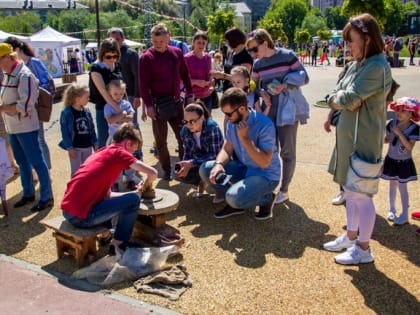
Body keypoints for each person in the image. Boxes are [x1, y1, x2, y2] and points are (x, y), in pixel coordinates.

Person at [322, 13, 392, 265]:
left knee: (361, 195)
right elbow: (339, 93)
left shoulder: (376, 66)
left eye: (350, 40)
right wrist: (339, 98)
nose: (347, 46)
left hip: (363, 142)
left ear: (366, 37)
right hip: (350, 141)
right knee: (351, 193)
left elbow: (348, 99)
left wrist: (338, 98)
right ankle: (352, 237)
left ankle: (363, 248)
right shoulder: (359, 64)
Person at [61, 123, 158, 256]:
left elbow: (107, 196)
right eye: (133, 150)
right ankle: (119, 243)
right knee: (134, 200)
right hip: (81, 217)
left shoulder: (103, 152)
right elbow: (153, 173)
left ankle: (107, 234)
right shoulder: (119, 153)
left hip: (69, 212)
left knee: (130, 198)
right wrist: (146, 184)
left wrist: (133, 193)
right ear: (127, 144)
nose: (133, 155)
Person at [248, 28, 310, 204]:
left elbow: (304, 77)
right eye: (250, 50)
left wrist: (285, 83)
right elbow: (253, 86)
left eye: (254, 49)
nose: (253, 53)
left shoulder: (287, 55)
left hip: (287, 110)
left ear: (265, 43)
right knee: (269, 149)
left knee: (287, 151)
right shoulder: (258, 64)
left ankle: (284, 189)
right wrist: (261, 93)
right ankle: (271, 185)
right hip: (268, 111)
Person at [199, 88, 281, 220]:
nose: (226, 117)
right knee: (206, 169)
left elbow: (264, 162)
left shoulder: (265, 124)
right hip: (245, 168)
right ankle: (237, 202)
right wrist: (219, 164)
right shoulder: (234, 121)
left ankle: (266, 198)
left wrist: (245, 138)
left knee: (233, 197)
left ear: (242, 109)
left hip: (266, 175)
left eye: (228, 114)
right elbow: (227, 148)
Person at [0, 43, 53, 212]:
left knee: (37, 161)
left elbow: (25, 105)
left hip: (26, 126)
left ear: (8, 57)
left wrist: (2, 109)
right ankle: (28, 193)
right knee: (22, 162)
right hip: (13, 127)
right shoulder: (8, 75)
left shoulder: (24, 75)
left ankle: (46, 196)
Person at [139, 23, 194, 180]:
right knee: (160, 140)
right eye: (155, 42)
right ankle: (166, 170)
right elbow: (143, 85)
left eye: (161, 42)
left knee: (183, 136)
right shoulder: (146, 58)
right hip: (157, 105)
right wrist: (148, 106)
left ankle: (182, 168)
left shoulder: (177, 53)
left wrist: (190, 94)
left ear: (168, 37)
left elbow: (185, 75)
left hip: (176, 103)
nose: (158, 45)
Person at [4, 36, 53, 171]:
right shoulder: (11, 69)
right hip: (22, 111)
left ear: (17, 50)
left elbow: (47, 82)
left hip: (35, 107)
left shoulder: (34, 63)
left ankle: (45, 169)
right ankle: (35, 171)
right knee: (29, 144)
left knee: (40, 140)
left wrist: (33, 89)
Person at [380, 97, 420, 225]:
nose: (399, 113)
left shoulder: (414, 128)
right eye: (398, 109)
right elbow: (387, 138)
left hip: (404, 163)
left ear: (411, 113)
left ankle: (404, 214)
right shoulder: (392, 123)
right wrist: (386, 138)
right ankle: (392, 209)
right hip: (391, 159)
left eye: (403, 110)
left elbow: (409, 147)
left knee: (403, 188)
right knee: (392, 185)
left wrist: (399, 133)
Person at [174, 101, 223, 197]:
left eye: (192, 121)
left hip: (217, 162)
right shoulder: (185, 130)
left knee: (205, 167)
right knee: (175, 172)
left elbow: (215, 155)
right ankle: (202, 181)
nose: (188, 125)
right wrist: (184, 165)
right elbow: (188, 151)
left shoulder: (212, 127)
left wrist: (191, 163)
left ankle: (219, 188)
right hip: (199, 161)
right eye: (185, 121)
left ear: (202, 118)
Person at [89, 38, 123, 148]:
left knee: (120, 141)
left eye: (115, 56)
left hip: (119, 106)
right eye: (109, 56)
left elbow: (122, 87)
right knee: (104, 143)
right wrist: (118, 110)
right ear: (102, 54)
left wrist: (124, 108)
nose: (112, 59)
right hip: (104, 109)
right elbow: (103, 92)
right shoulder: (96, 68)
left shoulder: (116, 66)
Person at [104, 80, 137, 191]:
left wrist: (119, 118)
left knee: (129, 159)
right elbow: (110, 120)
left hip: (127, 138)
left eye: (121, 94)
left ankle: (130, 179)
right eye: (115, 94)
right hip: (114, 138)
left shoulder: (126, 104)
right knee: (114, 162)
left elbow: (131, 117)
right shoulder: (108, 106)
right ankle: (115, 182)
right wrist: (122, 115)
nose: (118, 96)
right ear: (110, 93)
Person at [107, 28, 142, 133]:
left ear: (123, 38)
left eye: (117, 39)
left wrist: (137, 96)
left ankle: (137, 149)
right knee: (118, 125)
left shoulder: (131, 54)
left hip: (129, 95)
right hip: (114, 96)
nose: (115, 42)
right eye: (112, 39)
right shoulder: (109, 55)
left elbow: (137, 76)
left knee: (131, 124)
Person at [59, 82, 97, 176]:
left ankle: (87, 189)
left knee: (88, 170)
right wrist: (70, 148)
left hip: (87, 146)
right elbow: (65, 132)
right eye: (86, 97)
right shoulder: (67, 112)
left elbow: (91, 128)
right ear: (77, 99)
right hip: (75, 147)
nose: (88, 99)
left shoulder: (86, 111)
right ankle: (75, 190)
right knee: (76, 172)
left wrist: (95, 142)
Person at [210, 27, 253, 92]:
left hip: (238, 93)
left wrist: (223, 76)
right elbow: (228, 70)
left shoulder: (246, 56)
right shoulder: (231, 53)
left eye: (227, 40)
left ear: (233, 40)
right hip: (227, 90)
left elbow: (243, 78)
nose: (226, 43)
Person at [184, 31, 214, 113]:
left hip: (207, 95)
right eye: (199, 43)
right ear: (193, 43)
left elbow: (210, 74)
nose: (201, 45)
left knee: (207, 122)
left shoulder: (208, 57)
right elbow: (181, 78)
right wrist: (196, 82)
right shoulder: (186, 58)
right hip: (192, 97)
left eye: (203, 43)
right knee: (192, 123)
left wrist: (212, 82)